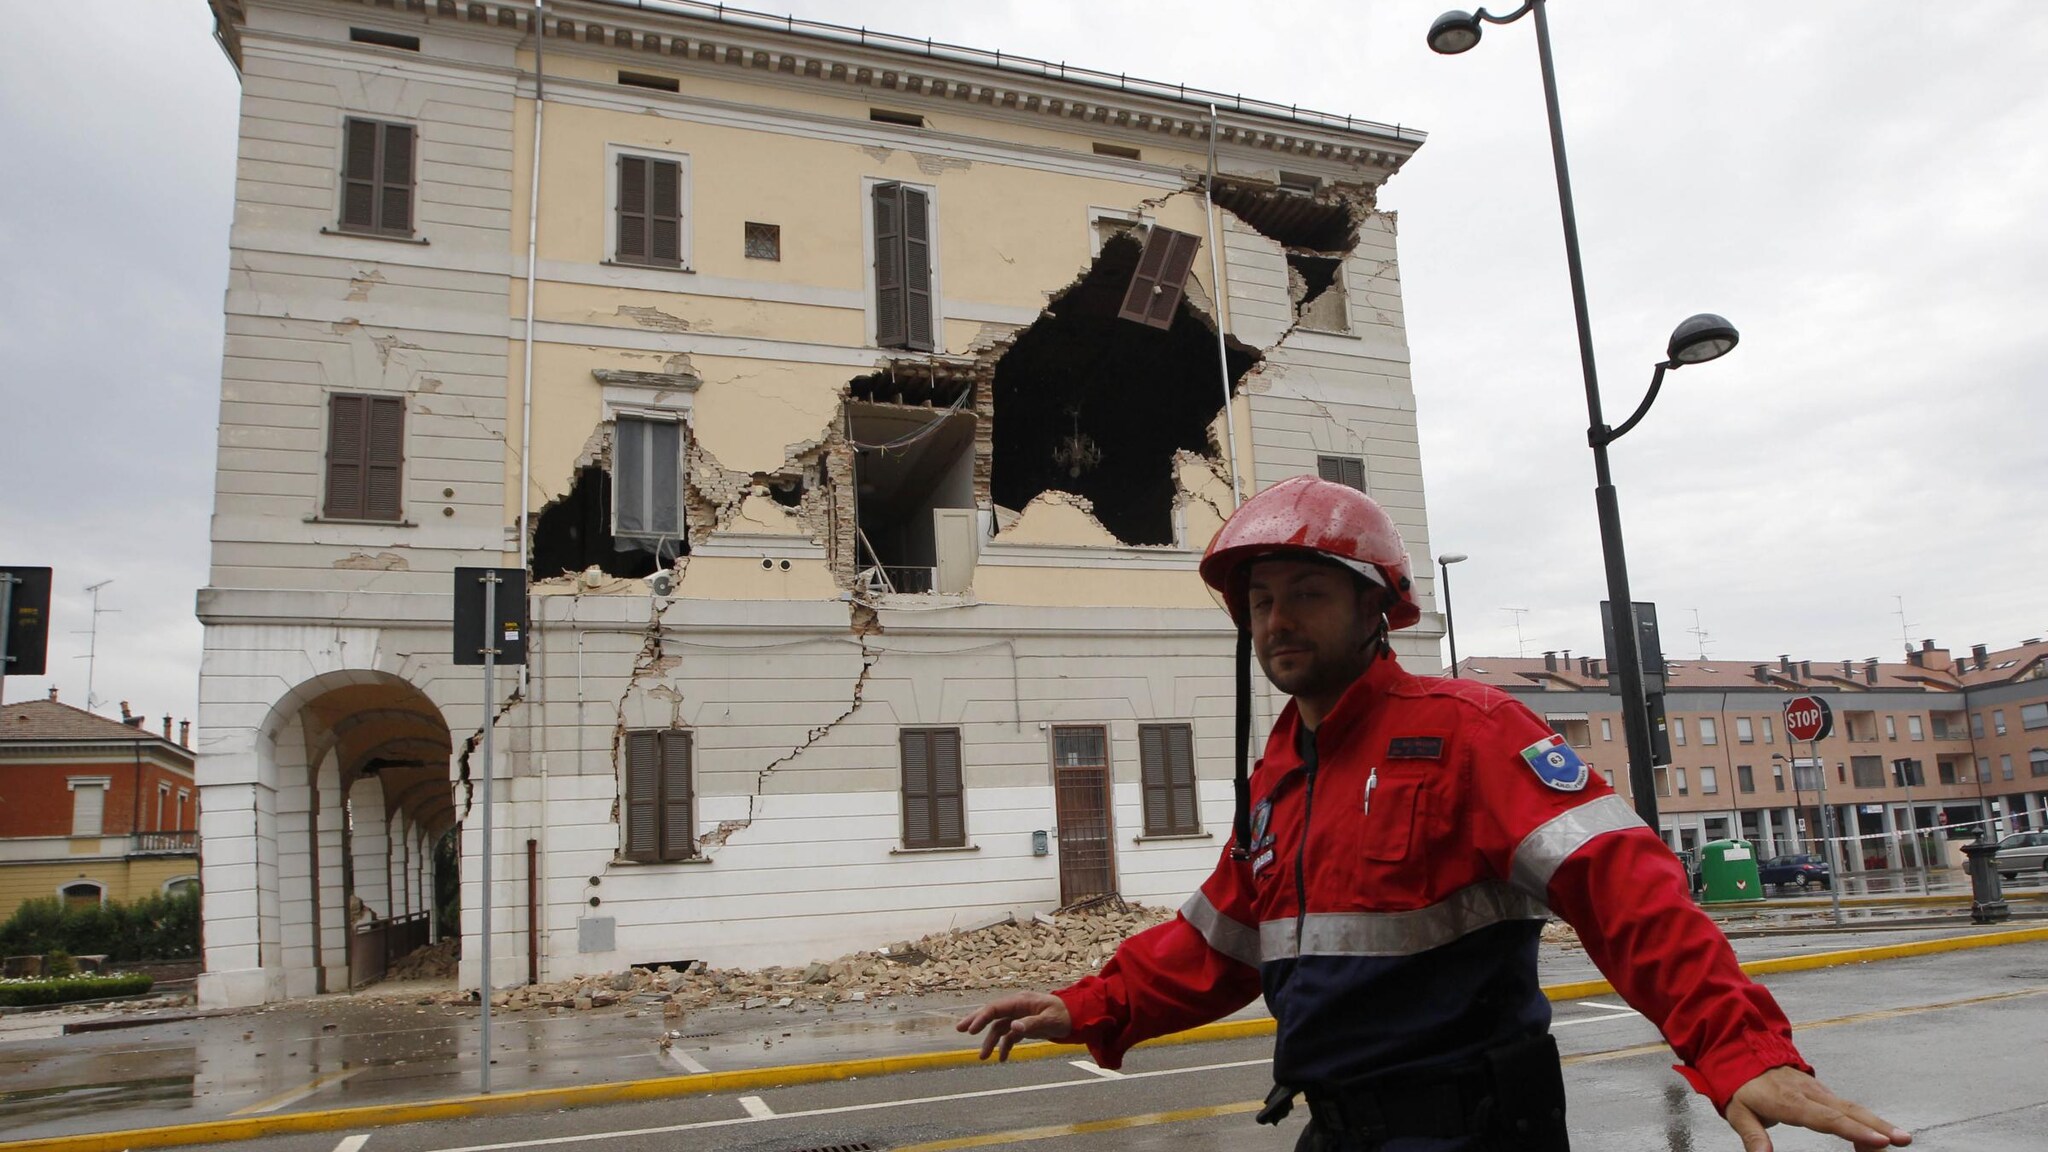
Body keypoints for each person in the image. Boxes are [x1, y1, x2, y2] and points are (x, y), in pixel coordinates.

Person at [958, 476, 1909, 1152]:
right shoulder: (1283, 770)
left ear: (1379, 609)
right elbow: (1222, 941)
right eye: (1261, 601)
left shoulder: (1472, 733)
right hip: (1338, 1126)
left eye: (1308, 594)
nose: (1278, 620)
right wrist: (1084, 1006)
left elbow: (1629, 893)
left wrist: (1735, 1048)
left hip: (1473, 1127)